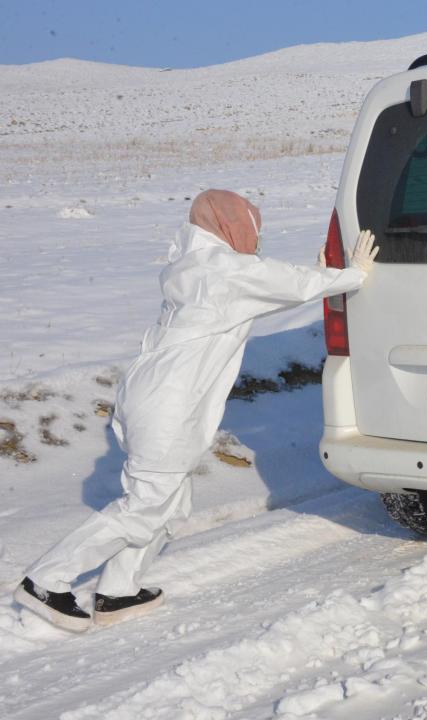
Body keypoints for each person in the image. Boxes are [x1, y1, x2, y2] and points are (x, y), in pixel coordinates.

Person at [14, 190, 379, 631]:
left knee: (169, 503)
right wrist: (352, 275)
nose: (256, 238)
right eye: (253, 229)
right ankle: (45, 580)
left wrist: (325, 275)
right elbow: (287, 282)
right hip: (168, 404)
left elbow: (267, 287)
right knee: (146, 505)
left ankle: (118, 591)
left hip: (154, 396)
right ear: (231, 227)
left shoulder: (198, 268)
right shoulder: (220, 270)